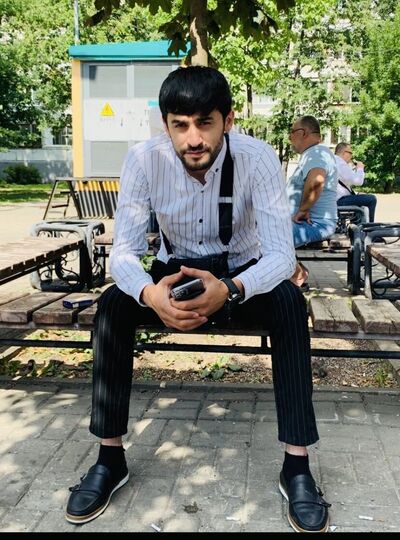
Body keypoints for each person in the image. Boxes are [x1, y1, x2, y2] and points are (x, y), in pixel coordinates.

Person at [65, 67, 330, 533]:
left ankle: (297, 464)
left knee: (289, 302)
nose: (193, 139)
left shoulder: (258, 158)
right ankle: (109, 458)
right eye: (180, 124)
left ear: (228, 120)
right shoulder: (143, 160)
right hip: (172, 276)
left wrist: (230, 289)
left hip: (239, 275)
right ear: (165, 124)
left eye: (205, 122)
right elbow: (124, 254)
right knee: (112, 306)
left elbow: (280, 255)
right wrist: (151, 293)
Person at [286, 115, 338, 288]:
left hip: (315, 223)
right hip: (307, 223)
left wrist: (303, 209)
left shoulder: (316, 152)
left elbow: (316, 181)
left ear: (303, 133)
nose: (290, 137)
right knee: (263, 233)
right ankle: (294, 273)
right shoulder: (315, 153)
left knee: (265, 238)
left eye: (292, 132)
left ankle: (297, 275)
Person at [334, 142, 377, 222]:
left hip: (336, 199)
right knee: (371, 199)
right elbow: (358, 181)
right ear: (344, 152)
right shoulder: (340, 163)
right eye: (350, 153)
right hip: (340, 200)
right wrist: (360, 168)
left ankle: (358, 226)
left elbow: (348, 181)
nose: (351, 156)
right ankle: (370, 227)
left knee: (361, 197)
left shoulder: (335, 161)